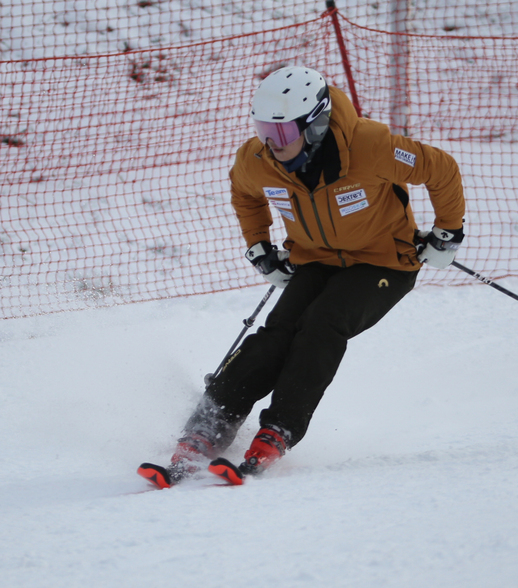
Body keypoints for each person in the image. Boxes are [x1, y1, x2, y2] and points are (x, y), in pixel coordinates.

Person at [138, 65, 465, 488]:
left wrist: (447, 232)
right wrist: (260, 246)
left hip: (383, 263)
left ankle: (279, 430)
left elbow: (441, 169)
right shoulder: (258, 160)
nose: (272, 145)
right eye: (264, 131)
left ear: (316, 124)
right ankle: (204, 430)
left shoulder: (371, 145)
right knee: (275, 336)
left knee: (322, 325)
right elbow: (244, 193)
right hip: (313, 260)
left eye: (282, 134)